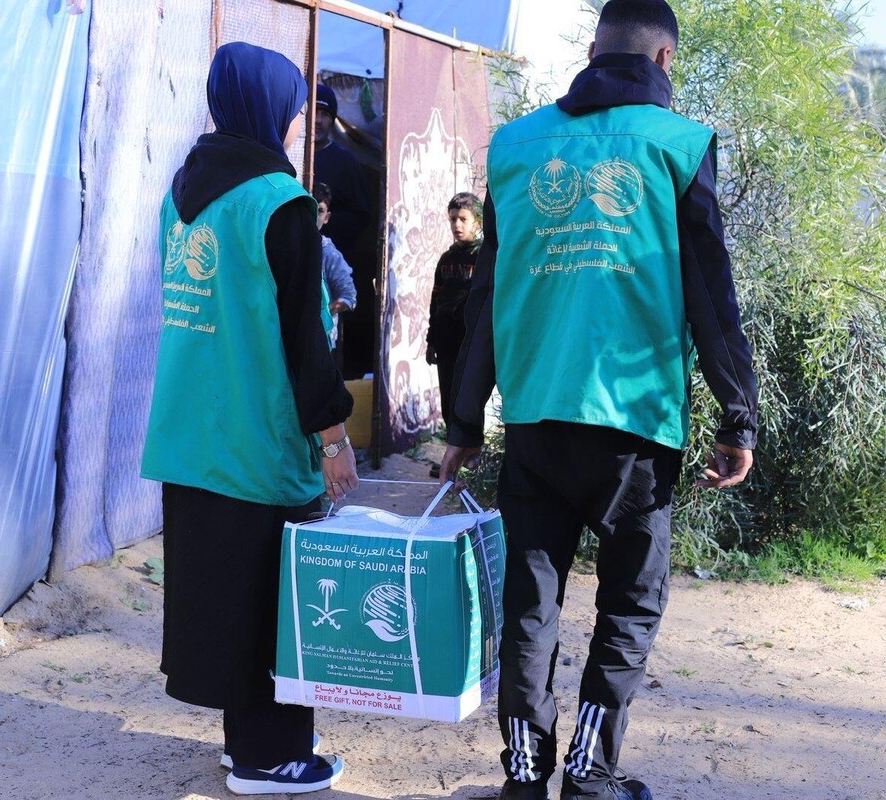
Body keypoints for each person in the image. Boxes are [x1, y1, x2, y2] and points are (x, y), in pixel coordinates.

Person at [440, 2, 759, 799]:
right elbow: (710, 295)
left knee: (530, 604)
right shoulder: (678, 144)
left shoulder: (517, 144)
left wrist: (465, 420)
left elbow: (487, 297)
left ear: (592, 51)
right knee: (628, 606)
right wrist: (737, 416)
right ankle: (589, 773)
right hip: (635, 427)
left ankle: (524, 775)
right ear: (665, 58)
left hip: (537, 417)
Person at [141, 41, 358, 797]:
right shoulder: (279, 201)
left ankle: (254, 742)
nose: (298, 123)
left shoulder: (182, 193)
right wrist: (333, 437)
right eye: (294, 109)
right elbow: (304, 338)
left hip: (189, 435)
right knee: (273, 602)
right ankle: (271, 758)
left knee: (229, 596)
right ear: (268, 108)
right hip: (257, 441)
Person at [313, 83, 376, 378]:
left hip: (328, 266)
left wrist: (324, 227)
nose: (317, 120)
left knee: (328, 345)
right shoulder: (288, 155)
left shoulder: (344, 162)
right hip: (289, 260)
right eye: (314, 111)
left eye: (325, 114)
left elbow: (362, 213)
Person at [426, 192, 482, 427]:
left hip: (472, 340)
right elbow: (436, 301)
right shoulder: (447, 259)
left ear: (478, 222)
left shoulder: (484, 258)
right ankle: (452, 447)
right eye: (452, 219)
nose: (457, 225)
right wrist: (431, 341)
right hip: (446, 340)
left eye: (463, 219)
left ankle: (471, 448)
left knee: (469, 399)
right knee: (448, 399)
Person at [312, 181, 357, 351]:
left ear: (327, 217)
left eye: (320, 211)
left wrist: (321, 315)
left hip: (321, 339)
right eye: (311, 208)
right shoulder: (290, 247)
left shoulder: (328, 253)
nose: (314, 216)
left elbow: (348, 297)